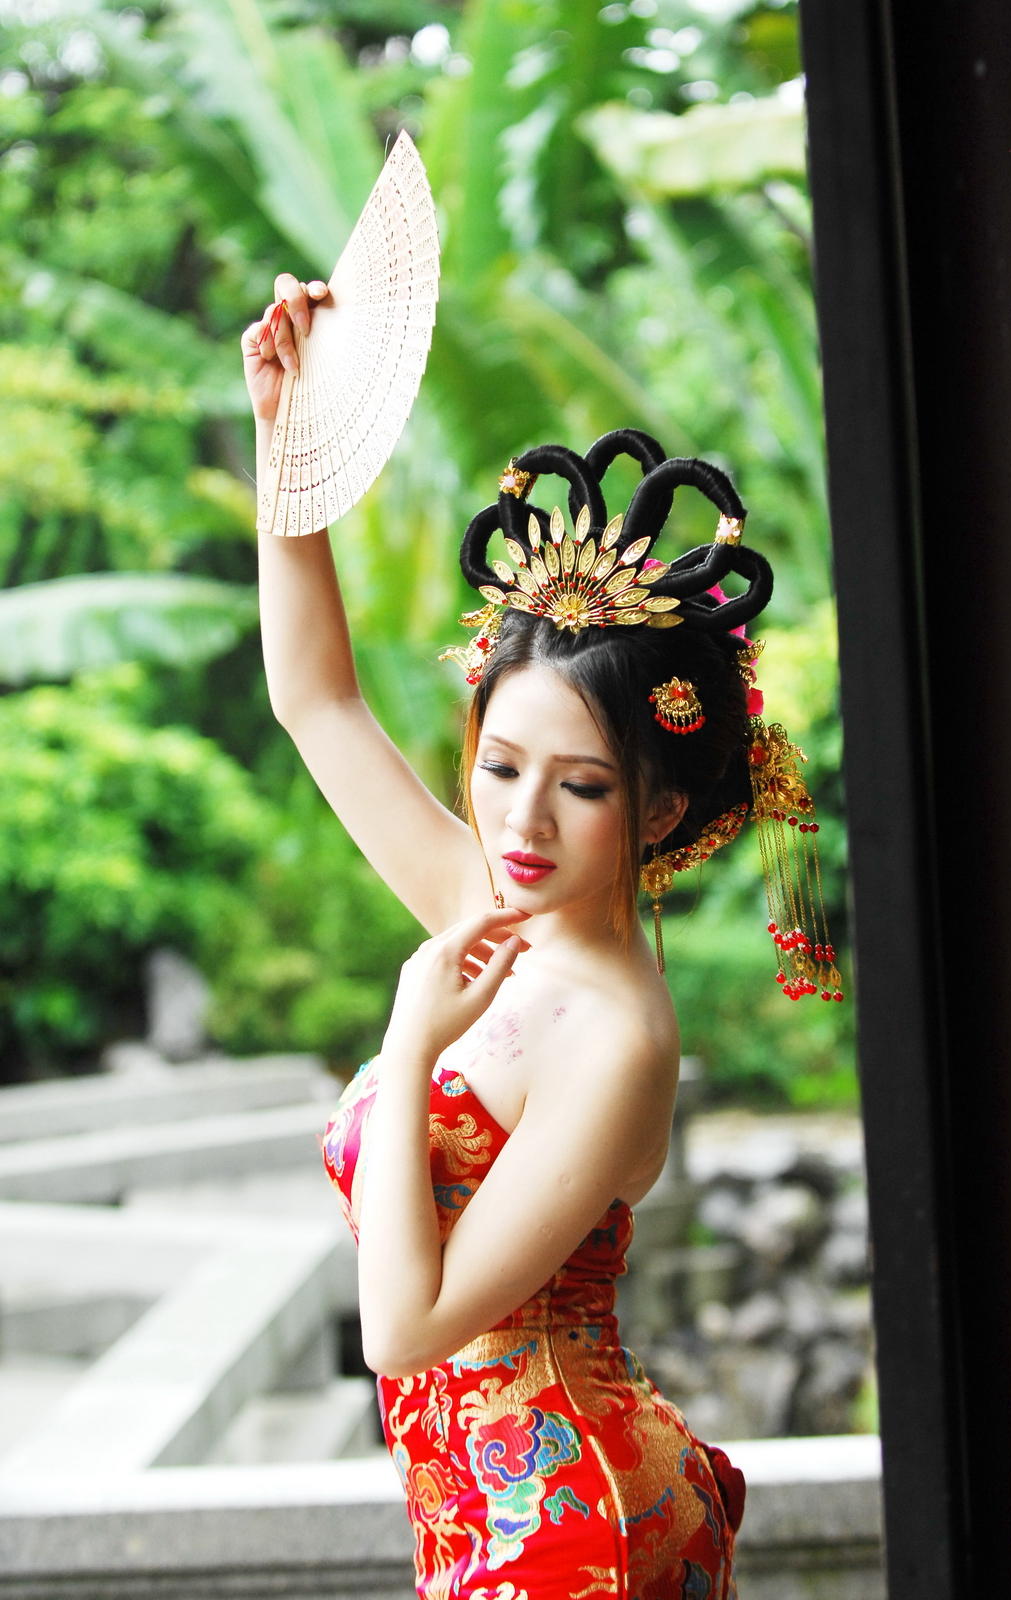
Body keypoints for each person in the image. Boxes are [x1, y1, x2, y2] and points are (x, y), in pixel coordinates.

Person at [242, 274, 800, 1600]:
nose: (523, 820)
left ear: (659, 807)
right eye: (499, 767)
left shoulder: (616, 1040)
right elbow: (315, 698)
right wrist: (285, 440)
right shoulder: (489, 902)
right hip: (483, 1514)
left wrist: (408, 1038)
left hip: (570, 1535)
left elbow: (404, 1329)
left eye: (582, 786)